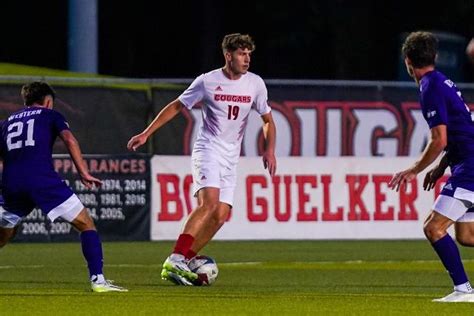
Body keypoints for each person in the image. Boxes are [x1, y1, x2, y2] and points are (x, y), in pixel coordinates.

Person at [127, 33, 277, 285]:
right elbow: (177, 106)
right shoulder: (207, 81)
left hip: (231, 157)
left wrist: (269, 149)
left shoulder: (255, 84)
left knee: (220, 215)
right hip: (208, 150)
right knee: (209, 203)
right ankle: (176, 257)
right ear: (228, 55)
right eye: (242, 53)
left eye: (249, 54)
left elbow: (268, 121)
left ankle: (182, 261)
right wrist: (146, 133)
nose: (247, 58)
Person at [0, 81, 127, 292]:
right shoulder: (51, 115)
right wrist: (83, 172)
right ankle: (98, 281)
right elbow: (69, 139)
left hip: (11, 182)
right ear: (48, 102)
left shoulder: (6, 123)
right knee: (86, 224)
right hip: (42, 179)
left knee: (4, 233)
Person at [389, 31, 474, 303]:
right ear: (434, 57)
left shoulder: (429, 87)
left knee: (433, 227)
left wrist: (413, 169)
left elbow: (440, 139)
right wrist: (440, 169)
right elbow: (461, 130)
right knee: (467, 235)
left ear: (407, 61)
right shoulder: (442, 82)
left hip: (470, 167)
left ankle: (464, 291)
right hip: (465, 161)